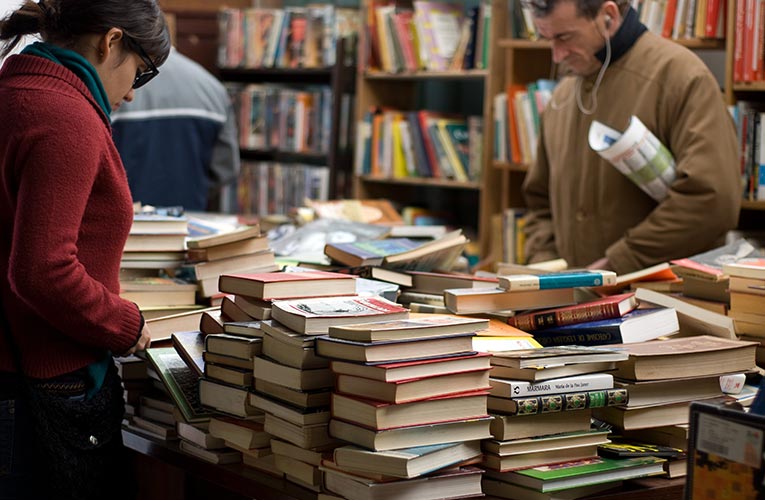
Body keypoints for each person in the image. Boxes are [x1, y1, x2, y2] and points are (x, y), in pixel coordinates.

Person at [0, 0, 170, 498]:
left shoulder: (15, 93)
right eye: (139, 74)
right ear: (111, 41)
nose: (132, 96)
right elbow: (42, 270)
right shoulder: (65, 115)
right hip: (40, 385)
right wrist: (123, 324)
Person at [521, 0, 741, 274]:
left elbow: (711, 201)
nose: (557, 56)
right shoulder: (563, 96)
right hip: (572, 300)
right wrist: (545, 268)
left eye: (565, 37)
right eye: (548, 39)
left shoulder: (681, 78)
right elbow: (539, 203)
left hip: (661, 300)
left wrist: (621, 261)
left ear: (608, 16)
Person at [111, 45, 240, 212]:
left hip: (128, 221)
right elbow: (225, 168)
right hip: (188, 219)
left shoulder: (116, 88)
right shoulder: (212, 88)